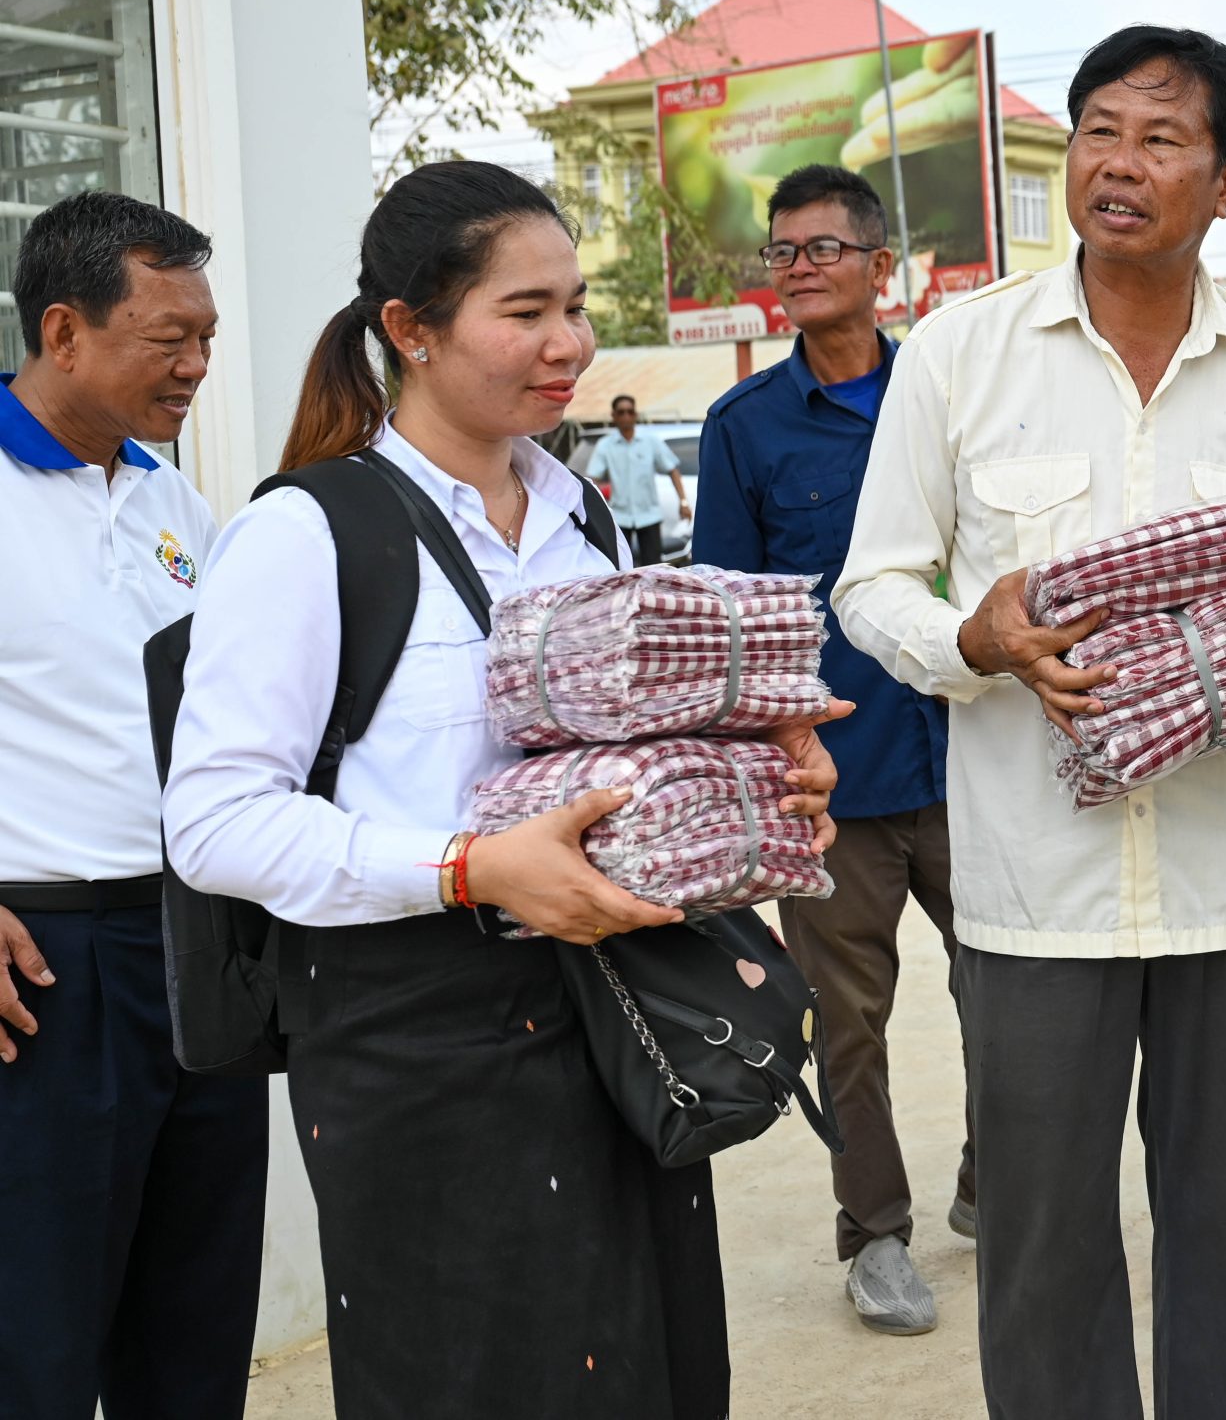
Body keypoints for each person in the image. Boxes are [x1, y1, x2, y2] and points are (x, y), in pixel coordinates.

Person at [161, 160, 844, 1419]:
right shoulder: (308, 533)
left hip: (609, 1011)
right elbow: (211, 822)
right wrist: (471, 868)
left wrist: (758, 761)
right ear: (410, 331)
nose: (570, 341)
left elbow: (613, 742)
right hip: (414, 1040)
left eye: (574, 305)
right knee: (472, 1374)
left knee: (642, 1359)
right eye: (524, 311)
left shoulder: (581, 513)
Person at [836, 25, 1226, 1420]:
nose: (1115, 164)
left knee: (1223, 1218)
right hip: (1031, 890)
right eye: (1096, 131)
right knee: (1042, 1234)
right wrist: (981, 637)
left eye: (1158, 138)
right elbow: (872, 583)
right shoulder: (962, 353)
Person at [0, 192, 265, 1420]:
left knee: (194, 1325)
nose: (199, 363)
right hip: (44, 972)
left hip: (197, 946)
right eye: (170, 338)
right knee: (36, 1335)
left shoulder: (175, 504)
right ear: (64, 331)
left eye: (204, 334)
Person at [690, 162, 967, 1335]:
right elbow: (730, 616)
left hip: (972, 761)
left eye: (821, 248)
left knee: (1019, 994)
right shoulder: (743, 426)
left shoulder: (948, 394)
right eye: (782, 252)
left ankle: (998, 1183)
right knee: (847, 1027)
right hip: (835, 785)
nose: (796, 268)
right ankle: (877, 1234)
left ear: (878, 266)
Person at [589, 392, 687, 564]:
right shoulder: (605, 445)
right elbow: (593, 478)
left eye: (630, 412)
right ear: (613, 416)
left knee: (653, 566)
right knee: (621, 566)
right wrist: (597, 510)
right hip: (620, 517)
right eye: (621, 412)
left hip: (649, 516)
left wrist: (683, 502)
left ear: (635, 414)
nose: (626, 416)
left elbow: (672, 470)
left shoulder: (650, 441)